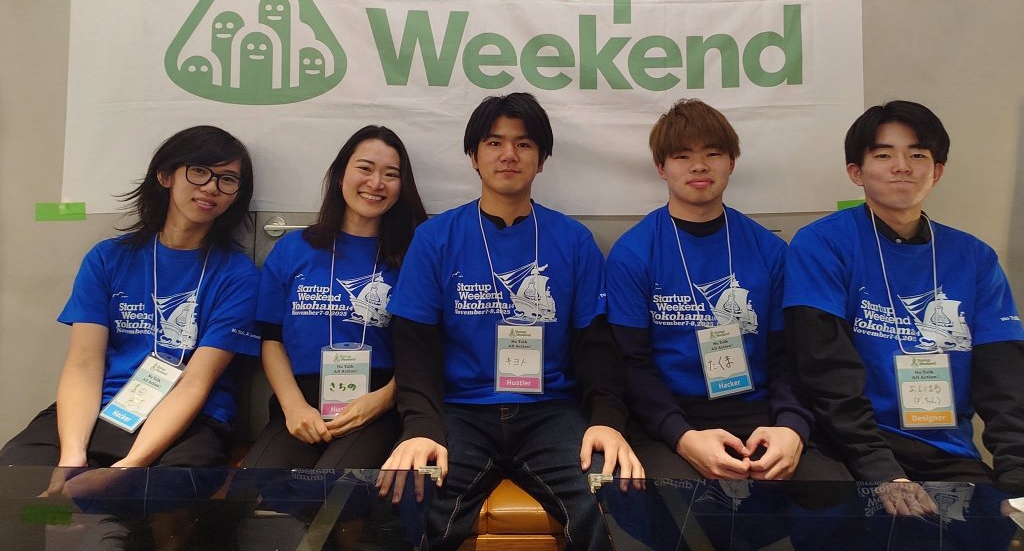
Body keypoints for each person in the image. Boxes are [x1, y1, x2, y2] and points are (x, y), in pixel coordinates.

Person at [380, 92, 643, 551]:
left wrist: (607, 420)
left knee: (609, 497)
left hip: (551, 412)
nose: (508, 155)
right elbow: (414, 344)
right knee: (412, 501)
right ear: (473, 156)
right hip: (460, 412)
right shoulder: (435, 237)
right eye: (494, 142)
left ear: (541, 160)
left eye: (523, 144)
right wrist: (421, 425)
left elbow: (596, 345)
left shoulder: (573, 240)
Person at [602, 99, 850, 551]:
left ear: (732, 162)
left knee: (834, 491)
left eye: (712, 153)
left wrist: (792, 426)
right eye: (682, 155)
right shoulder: (633, 253)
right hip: (671, 420)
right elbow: (633, 365)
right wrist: (682, 437)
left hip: (759, 416)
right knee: (663, 500)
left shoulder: (770, 251)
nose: (699, 166)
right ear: (661, 167)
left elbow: (789, 357)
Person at [784, 100, 1024, 517]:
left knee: (984, 528)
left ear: (937, 171)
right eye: (883, 155)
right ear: (856, 172)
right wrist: (881, 470)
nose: (902, 167)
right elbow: (825, 370)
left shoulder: (975, 258)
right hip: (844, 447)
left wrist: (1017, 479)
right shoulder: (822, 244)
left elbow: (1003, 379)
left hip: (943, 448)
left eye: (917, 155)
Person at [0, 125, 260, 494]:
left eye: (227, 179)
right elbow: (84, 363)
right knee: (17, 478)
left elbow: (196, 383)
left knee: (165, 494)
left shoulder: (239, 275)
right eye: (199, 171)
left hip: (192, 417)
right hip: (104, 405)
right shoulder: (108, 258)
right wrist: (72, 457)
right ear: (165, 175)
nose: (211, 187)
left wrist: (129, 466)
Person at [243, 125, 427, 471]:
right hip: (300, 403)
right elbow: (271, 339)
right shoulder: (293, 249)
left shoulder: (414, 255)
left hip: (378, 404)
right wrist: (293, 407)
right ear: (341, 175)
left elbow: (425, 348)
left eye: (391, 174)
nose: (376, 183)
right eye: (365, 168)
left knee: (336, 489)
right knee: (255, 484)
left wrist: (383, 400)